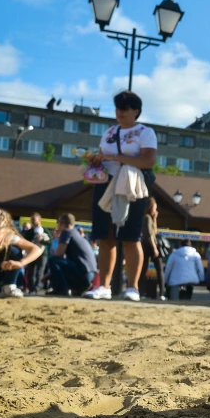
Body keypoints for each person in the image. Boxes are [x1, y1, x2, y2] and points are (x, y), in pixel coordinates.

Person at [83, 91, 157, 302]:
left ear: (136, 111)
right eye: (117, 108)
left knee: (130, 237)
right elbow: (104, 156)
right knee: (105, 236)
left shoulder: (145, 132)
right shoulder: (109, 132)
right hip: (106, 183)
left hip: (131, 185)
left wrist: (115, 157)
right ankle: (104, 286)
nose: (119, 112)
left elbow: (148, 161)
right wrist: (96, 160)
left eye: (124, 108)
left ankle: (132, 287)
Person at [0, 206, 43, 298]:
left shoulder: (8, 237)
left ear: (5, 232)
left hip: (0, 271)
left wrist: (21, 263)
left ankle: (9, 285)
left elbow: (36, 249)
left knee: (15, 250)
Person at [47, 213, 97, 296]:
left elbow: (58, 254)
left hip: (83, 273)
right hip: (90, 274)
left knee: (53, 260)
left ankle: (61, 289)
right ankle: (78, 288)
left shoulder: (66, 232)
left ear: (62, 223)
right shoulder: (76, 233)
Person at [139, 197, 165, 300]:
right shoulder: (146, 218)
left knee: (145, 269)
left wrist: (155, 218)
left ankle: (143, 292)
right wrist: (155, 248)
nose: (156, 210)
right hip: (149, 245)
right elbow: (150, 235)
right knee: (157, 270)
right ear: (150, 207)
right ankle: (161, 293)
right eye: (154, 208)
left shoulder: (150, 218)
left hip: (147, 245)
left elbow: (155, 231)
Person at [22, 212, 51, 294]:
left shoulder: (45, 230)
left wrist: (41, 240)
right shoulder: (29, 232)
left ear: (39, 219)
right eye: (31, 220)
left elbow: (50, 241)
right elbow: (25, 241)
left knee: (39, 272)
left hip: (42, 254)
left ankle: (36, 288)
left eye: (34, 219)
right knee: (31, 271)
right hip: (32, 253)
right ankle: (31, 288)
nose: (32, 221)